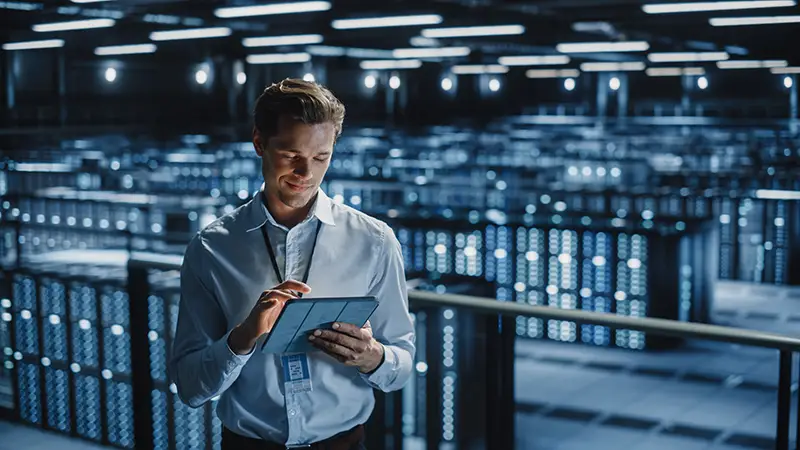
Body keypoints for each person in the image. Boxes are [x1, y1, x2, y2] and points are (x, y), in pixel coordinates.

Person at [170, 78, 416, 450]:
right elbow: (190, 386)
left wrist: (373, 356)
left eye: (321, 158)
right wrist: (242, 338)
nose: (306, 173)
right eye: (290, 155)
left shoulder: (375, 241)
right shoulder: (211, 250)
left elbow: (403, 361)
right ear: (259, 143)